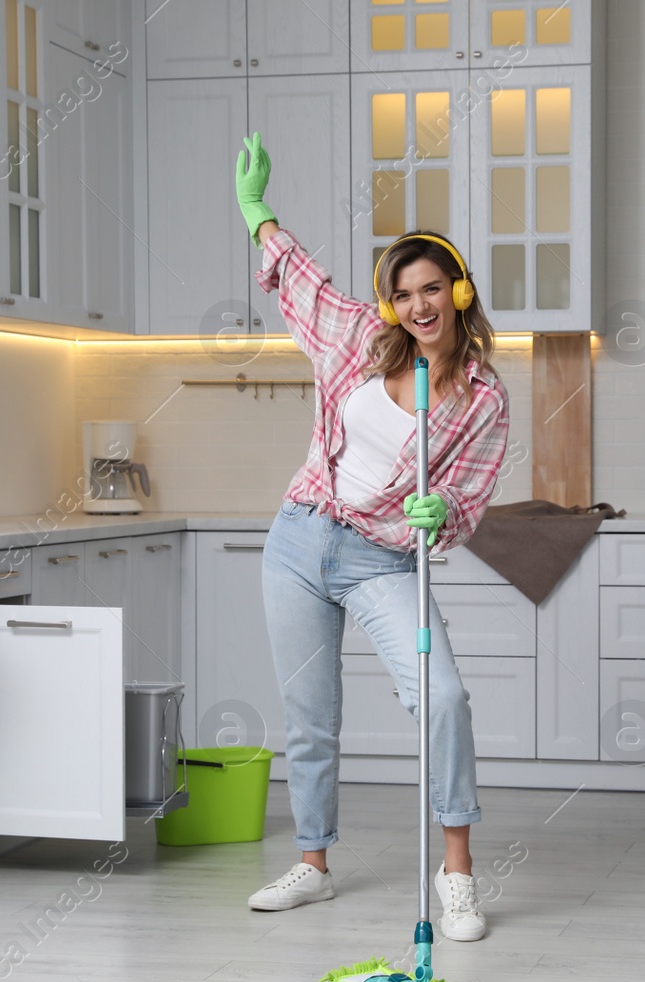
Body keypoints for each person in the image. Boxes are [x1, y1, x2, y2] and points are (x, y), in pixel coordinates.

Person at [233, 132, 510, 941]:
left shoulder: (482, 400)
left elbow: (470, 496)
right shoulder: (358, 339)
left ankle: (455, 870)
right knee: (309, 712)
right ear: (390, 303)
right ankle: (312, 864)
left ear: (458, 293)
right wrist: (259, 213)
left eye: (434, 288)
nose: (420, 305)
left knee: (445, 696)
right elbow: (306, 283)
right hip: (298, 537)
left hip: (382, 556)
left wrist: (443, 514)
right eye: (405, 292)